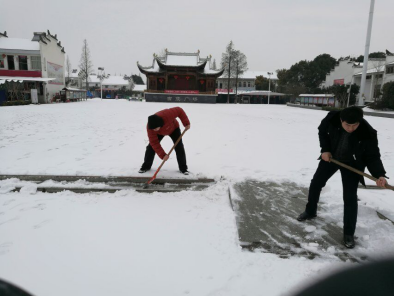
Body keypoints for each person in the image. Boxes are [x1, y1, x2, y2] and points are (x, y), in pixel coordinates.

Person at [297, 106, 389, 248]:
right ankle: (310, 211)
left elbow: (373, 156)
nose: (351, 128)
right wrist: (325, 150)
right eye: (347, 125)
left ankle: (348, 233)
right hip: (331, 158)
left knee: (350, 196)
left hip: (352, 164)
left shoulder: (368, 132)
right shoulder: (332, 118)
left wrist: (380, 175)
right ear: (341, 120)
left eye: (355, 125)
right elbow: (322, 131)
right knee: (316, 183)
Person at [139, 107, 190, 175]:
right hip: (160, 133)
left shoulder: (167, 114)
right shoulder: (150, 128)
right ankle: (146, 166)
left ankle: (183, 168)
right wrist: (163, 155)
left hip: (174, 128)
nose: (154, 130)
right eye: (153, 129)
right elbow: (154, 143)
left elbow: (179, 110)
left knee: (179, 147)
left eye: (155, 128)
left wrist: (186, 123)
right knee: (150, 147)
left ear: (159, 124)